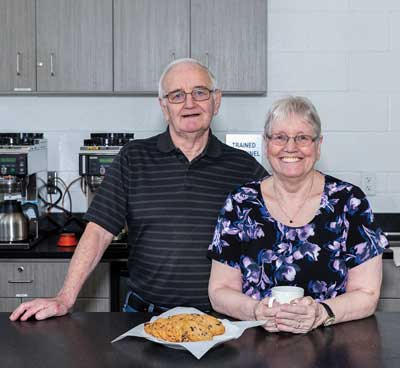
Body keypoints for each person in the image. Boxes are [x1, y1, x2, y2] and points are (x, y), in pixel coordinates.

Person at [10, 58, 267, 321]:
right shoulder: (133, 158)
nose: (189, 104)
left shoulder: (243, 167)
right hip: (145, 319)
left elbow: (286, 212)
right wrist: (64, 298)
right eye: (177, 95)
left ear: (217, 100)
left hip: (220, 322)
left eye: (200, 92)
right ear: (164, 107)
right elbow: (98, 232)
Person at [207, 96, 388, 334]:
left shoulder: (349, 202)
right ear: (266, 143)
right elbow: (219, 290)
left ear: (318, 144)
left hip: (332, 346)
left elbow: (367, 294)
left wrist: (321, 312)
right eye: (280, 137)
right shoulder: (240, 203)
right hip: (253, 346)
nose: (290, 147)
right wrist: (255, 311)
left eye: (302, 137)